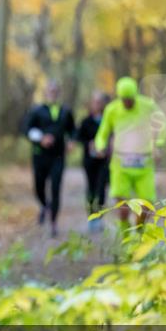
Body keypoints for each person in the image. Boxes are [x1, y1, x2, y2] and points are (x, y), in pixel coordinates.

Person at [94, 76, 166, 229]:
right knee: (123, 206)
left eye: (130, 99)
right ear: (119, 97)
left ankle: (139, 233)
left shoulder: (148, 105)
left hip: (144, 163)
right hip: (121, 163)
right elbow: (102, 133)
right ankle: (125, 235)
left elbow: (163, 124)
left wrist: (158, 145)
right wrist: (100, 146)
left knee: (146, 205)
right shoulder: (112, 109)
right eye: (124, 100)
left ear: (135, 95)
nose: (127, 103)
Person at [22, 80, 76, 237]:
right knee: (39, 187)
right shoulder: (36, 111)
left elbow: (73, 130)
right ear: (45, 93)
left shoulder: (66, 111)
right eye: (50, 91)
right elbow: (26, 129)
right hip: (39, 155)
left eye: (55, 91)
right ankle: (45, 205)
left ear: (58, 93)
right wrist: (41, 139)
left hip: (58, 156)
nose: (52, 93)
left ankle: (53, 222)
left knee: (56, 188)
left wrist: (72, 141)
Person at [76, 91, 111, 232]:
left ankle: (100, 218)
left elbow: (113, 137)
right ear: (91, 104)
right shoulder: (86, 121)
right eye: (95, 102)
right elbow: (79, 138)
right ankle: (91, 216)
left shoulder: (108, 120)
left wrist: (107, 148)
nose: (97, 105)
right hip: (89, 161)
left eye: (100, 102)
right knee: (91, 189)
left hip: (104, 161)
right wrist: (89, 144)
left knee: (102, 189)